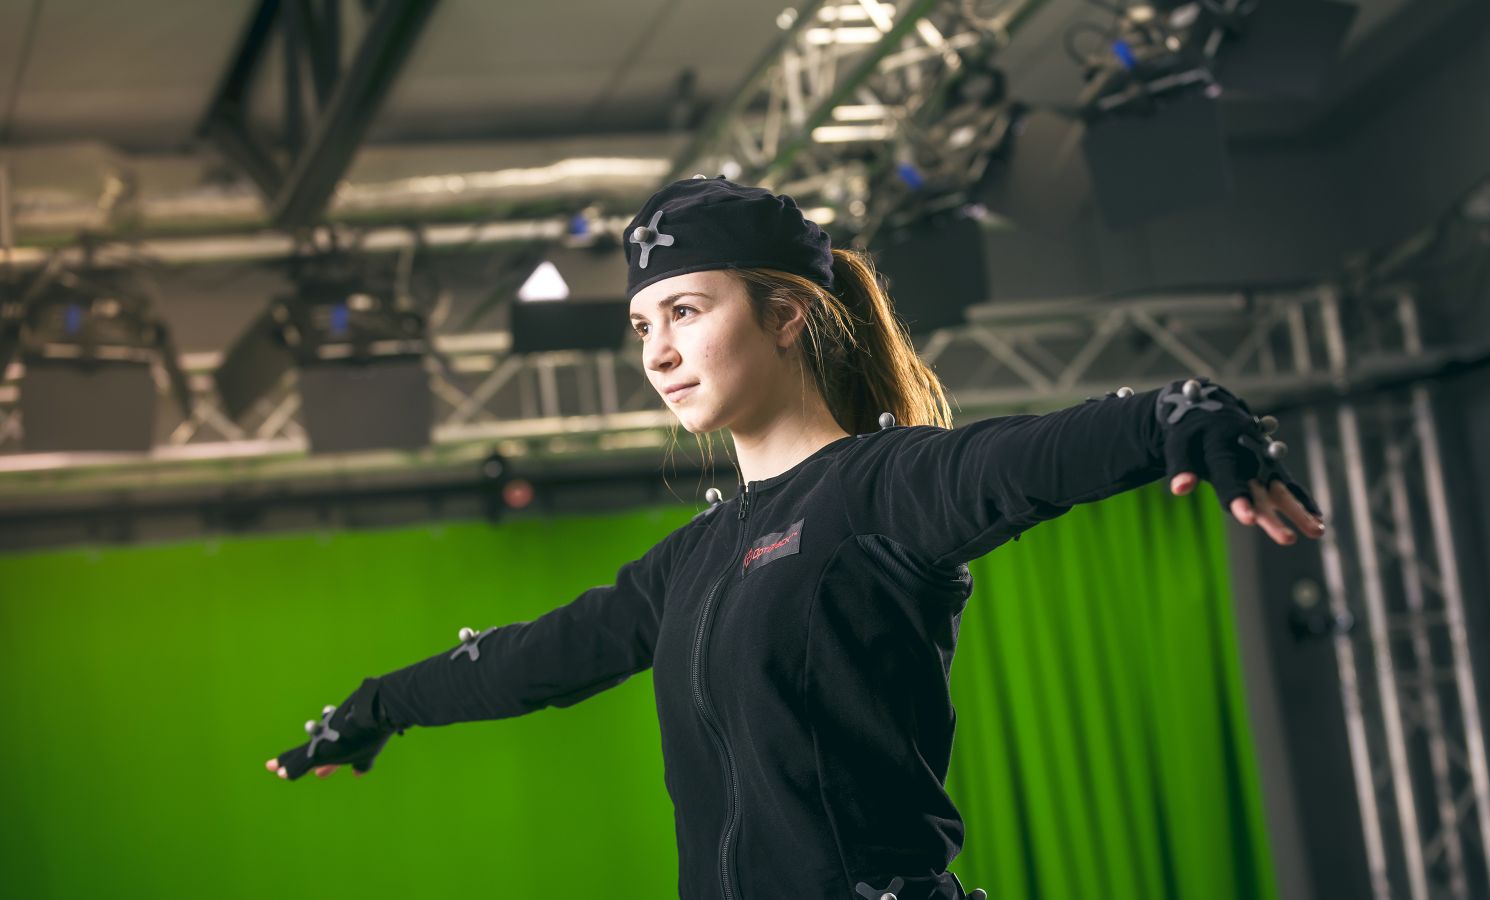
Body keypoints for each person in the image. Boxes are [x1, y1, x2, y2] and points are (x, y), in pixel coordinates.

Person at [266, 177, 1325, 900]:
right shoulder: (692, 562)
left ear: (786, 318)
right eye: (644, 326)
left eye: (685, 311)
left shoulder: (882, 489)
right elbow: (536, 658)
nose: (659, 352)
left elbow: (1034, 457)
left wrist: (1181, 416)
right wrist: (378, 707)